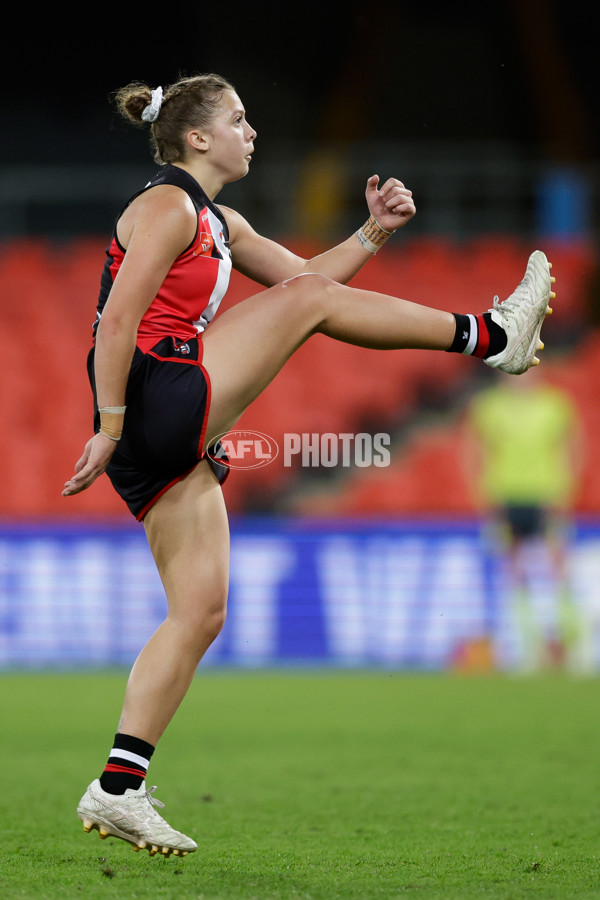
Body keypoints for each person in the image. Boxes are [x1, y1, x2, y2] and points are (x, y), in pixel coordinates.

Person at [62, 73, 555, 857]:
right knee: (306, 306)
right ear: (196, 138)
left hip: (164, 417)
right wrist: (110, 425)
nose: (250, 131)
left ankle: (118, 786)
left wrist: (375, 230)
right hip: (153, 397)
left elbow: (303, 279)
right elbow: (119, 318)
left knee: (200, 612)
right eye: (238, 119)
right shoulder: (167, 205)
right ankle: (490, 337)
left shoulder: (218, 218)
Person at [464, 368, 583, 672]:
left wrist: (564, 491)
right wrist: (484, 494)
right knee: (514, 572)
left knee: (558, 568)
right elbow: (476, 450)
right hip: (506, 496)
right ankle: (528, 646)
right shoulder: (489, 406)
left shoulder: (555, 405)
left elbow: (571, 448)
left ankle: (571, 644)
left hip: (545, 496)